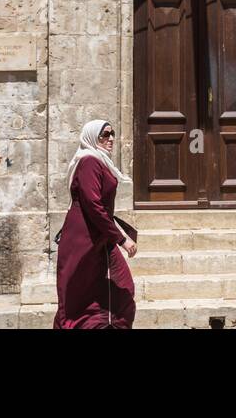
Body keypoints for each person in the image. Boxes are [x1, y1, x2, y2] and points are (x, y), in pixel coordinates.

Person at [54, 119, 137, 329]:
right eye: (104, 135)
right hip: (85, 238)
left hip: (99, 235)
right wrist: (121, 239)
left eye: (112, 134)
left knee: (119, 287)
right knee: (79, 295)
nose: (110, 139)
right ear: (92, 137)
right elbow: (93, 205)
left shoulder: (99, 161)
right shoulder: (89, 161)